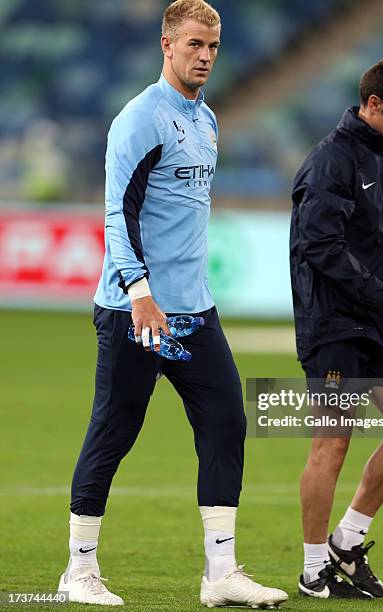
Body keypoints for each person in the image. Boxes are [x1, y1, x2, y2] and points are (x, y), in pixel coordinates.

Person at [57, 1, 288, 607]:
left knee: (226, 422)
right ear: (167, 44)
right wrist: (139, 292)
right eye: (194, 45)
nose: (206, 56)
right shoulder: (141, 118)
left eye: (213, 46)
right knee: (115, 429)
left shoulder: (207, 119)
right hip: (137, 309)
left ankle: (221, 574)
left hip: (193, 310)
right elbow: (117, 212)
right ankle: (78, 570)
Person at [290, 58, 383, 600]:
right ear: (373, 105)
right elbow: (318, 246)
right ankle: (311, 571)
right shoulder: (329, 162)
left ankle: (346, 541)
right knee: (332, 442)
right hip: (335, 324)